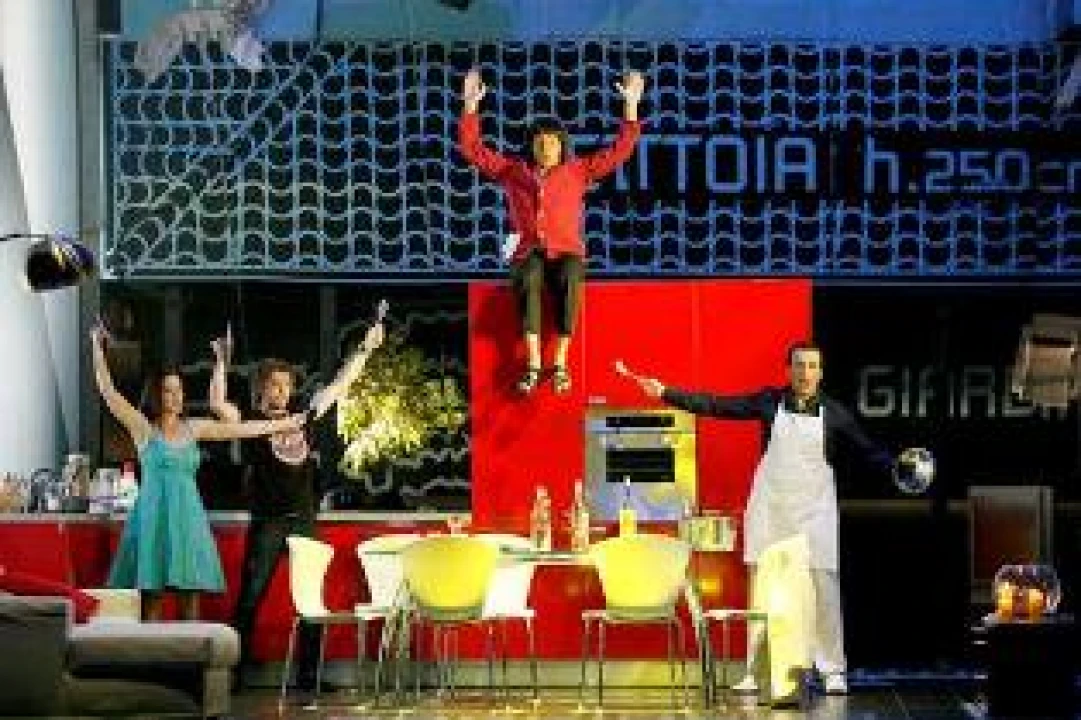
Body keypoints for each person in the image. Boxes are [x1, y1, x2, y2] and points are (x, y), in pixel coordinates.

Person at [629, 341, 911, 697]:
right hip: (771, 509)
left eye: (812, 366)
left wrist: (897, 466)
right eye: (799, 365)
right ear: (788, 370)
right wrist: (666, 393)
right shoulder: (768, 402)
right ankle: (755, 671)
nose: (805, 373)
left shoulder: (835, 413)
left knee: (824, 589)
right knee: (762, 590)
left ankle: (832, 670)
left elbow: (867, 450)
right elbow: (717, 405)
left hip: (815, 513)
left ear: (821, 373)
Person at [209, 316, 385, 690]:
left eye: (287, 385)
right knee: (250, 598)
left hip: (304, 517)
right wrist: (221, 363)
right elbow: (219, 405)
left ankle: (308, 676)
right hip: (269, 519)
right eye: (275, 385)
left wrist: (365, 349)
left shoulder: (303, 416)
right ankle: (233, 675)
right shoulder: (251, 421)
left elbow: (339, 386)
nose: (282, 391)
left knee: (310, 599)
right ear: (261, 388)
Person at [89, 323, 306, 622]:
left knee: (190, 603)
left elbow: (244, 429)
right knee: (151, 604)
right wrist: (97, 347)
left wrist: (286, 423)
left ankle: (190, 653)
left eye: (179, 390)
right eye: (168, 390)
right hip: (153, 520)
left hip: (188, 520)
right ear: (156, 395)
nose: (176, 396)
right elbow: (108, 392)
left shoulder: (194, 428)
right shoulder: (143, 429)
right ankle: (151, 654)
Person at [459, 67, 644, 394]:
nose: (546, 147)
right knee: (528, 274)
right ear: (531, 146)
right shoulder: (513, 171)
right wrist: (471, 106)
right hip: (529, 251)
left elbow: (620, 150)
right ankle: (533, 364)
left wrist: (630, 106)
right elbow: (473, 149)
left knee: (572, 274)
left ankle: (559, 362)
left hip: (566, 251)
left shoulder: (578, 171)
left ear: (562, 146)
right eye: (540, 142)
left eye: (553, 142)